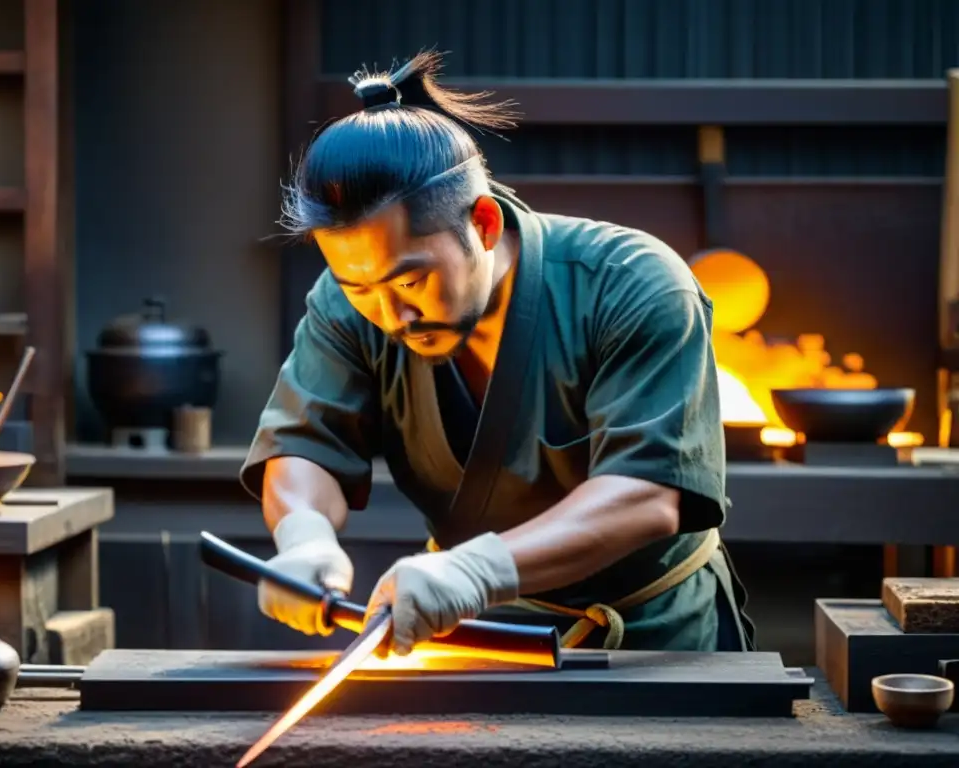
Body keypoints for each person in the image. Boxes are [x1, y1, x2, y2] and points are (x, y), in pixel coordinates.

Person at [240, 51, 756, 658]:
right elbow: (305, 444)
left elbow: (646, 494)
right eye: (360, 288)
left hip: (652, 638)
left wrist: (474, 573)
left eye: (409, 281)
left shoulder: (633, 283)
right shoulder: (349, 303)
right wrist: (305, 537)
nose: (390, 314)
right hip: (474, 637)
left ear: (483, 223)